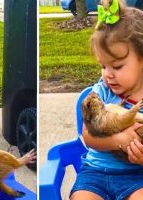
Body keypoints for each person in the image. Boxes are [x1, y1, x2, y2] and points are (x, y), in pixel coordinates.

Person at [70, 0, 143, 199]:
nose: (107, 75)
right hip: (96, 173)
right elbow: (88, 136)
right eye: (103, 66)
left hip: (138, 176)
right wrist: (120, 140)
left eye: (117, 66)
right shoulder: (100, 93)